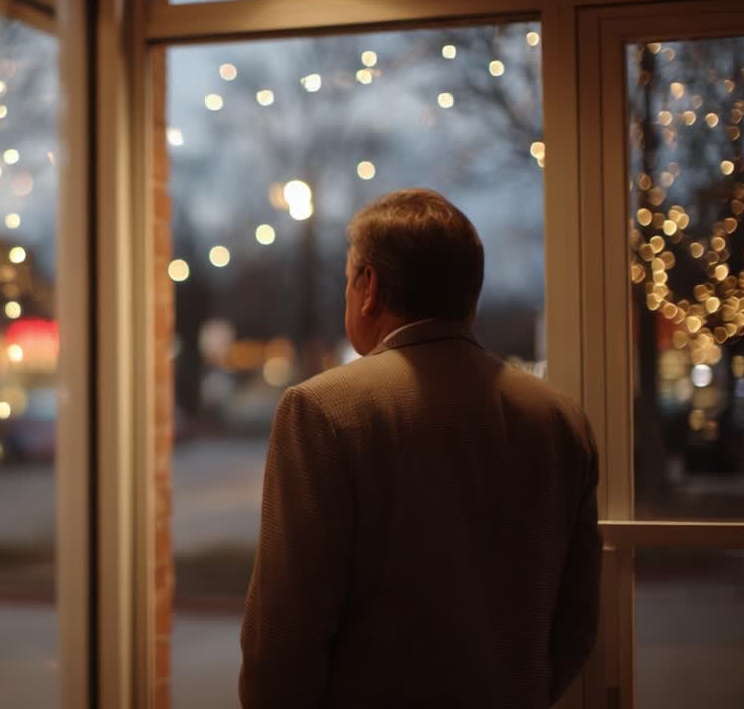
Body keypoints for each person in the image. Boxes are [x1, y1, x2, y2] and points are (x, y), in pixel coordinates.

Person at [239, 188, 601, 708]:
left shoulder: (323, 410)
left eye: (347, 280)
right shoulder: (560, 420)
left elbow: (282, 639)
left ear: (369, 287)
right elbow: (576, 623)